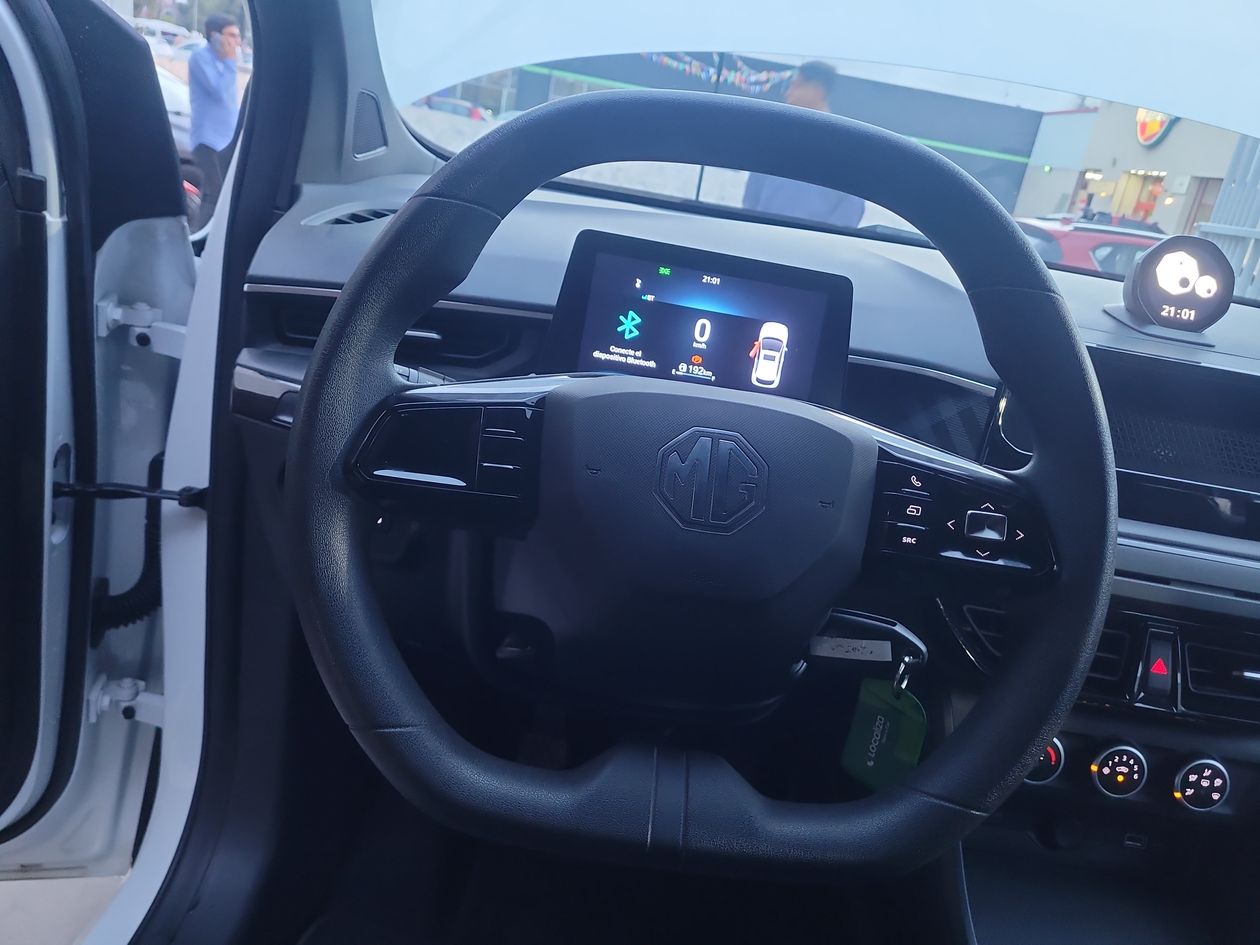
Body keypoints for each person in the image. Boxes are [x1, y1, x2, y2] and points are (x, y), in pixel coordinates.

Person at [742, 60, 866, 229]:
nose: (788, 93)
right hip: (761, 236)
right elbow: (751, 198)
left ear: (817, 89)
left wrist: (822, 240)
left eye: (795, 86)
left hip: (813, 243)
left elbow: (850, 209)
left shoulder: (845, 147)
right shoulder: (774, 140)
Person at [188, 13, 242, 224]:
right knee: (215, 193)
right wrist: (229, 61)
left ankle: (207, 232)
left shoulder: (227, 64)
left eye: (237, 36)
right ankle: (202, 235)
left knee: (222, 192)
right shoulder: (200, 58)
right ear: (215, 36)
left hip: (227, 139)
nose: (236, 41)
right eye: (231, 35)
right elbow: (218, 92)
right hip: (208, 140)